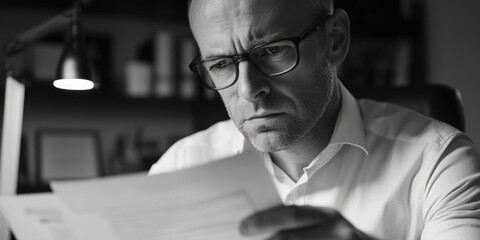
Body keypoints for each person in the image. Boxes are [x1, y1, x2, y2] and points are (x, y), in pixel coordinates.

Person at [149, 0, 480, 239]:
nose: (249, 89)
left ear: (334, 40)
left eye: (273, 50)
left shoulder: (439, 161)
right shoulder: (180, 167)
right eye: (221, 64)